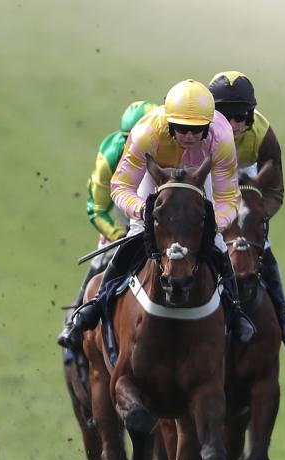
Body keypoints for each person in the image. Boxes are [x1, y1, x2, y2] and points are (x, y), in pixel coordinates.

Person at [56, 79, 254, 349]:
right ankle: (96, 304)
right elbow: (121, 186)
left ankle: (235, 311)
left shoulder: (221, 138)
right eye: (182, 128)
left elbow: (229, 197)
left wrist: (212, 224)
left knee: (217, 242)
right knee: (136, 234)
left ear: (209, 126)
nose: (189, 136)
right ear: (169, 124)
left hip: (197, 178)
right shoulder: (146, 133)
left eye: (197, 130)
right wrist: (142, 211)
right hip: (155, 174)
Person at [207, 70, 285, 354]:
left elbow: (275, 188)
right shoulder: (200, 131)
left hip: (245, 176)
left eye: (241, 117)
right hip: (207, 174)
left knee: (263, 247)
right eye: (226, 116)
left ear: (250, 115)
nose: (234, 125)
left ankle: (284, 323)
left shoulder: (263, 134)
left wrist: (256, 220)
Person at [70, 99, 158, 311]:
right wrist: (118, 234)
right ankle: (77, 315)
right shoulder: (110, 156)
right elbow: (97, 209)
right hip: (125, 217)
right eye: (130, 140)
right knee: (103, 258)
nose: (135, 148)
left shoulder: (174, 147)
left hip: (166, 218)